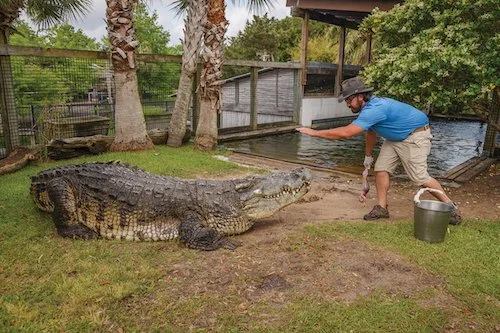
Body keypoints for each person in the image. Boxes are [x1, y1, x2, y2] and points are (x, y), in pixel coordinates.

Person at [296, 76, 462, 225]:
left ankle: (450, 207)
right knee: (381, 169)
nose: (347, 104)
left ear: (361, 96)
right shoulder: (368, 109)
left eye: (349, 99)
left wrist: (314, 132)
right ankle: (382, 208)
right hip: (395, 137)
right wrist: (368, 157)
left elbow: (345, 133)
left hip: (414, 136)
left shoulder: (374, 109)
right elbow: (371, 131)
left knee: (420, 177)